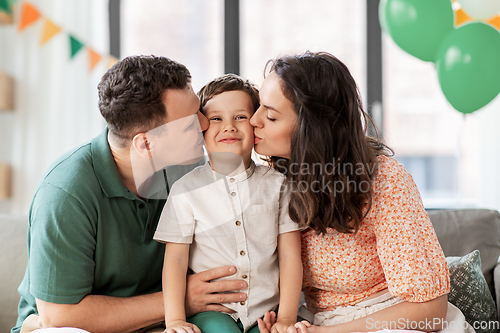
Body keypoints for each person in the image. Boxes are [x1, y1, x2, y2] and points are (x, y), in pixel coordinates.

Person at [12, 55, 248, 333]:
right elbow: (59, 317)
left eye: (199, 111)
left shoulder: (190, 168)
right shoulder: (66, 192)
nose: (205, 124)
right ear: (145, 144)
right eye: (189, 124)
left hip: (163, 323)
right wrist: (180, 300)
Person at [250, 51, 473, 333]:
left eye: (270, 116)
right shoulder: (275, 182)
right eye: (259, 106)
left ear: (311, 130)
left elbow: (430, 311)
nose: (254, 120)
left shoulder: (385, 180)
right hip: (319, 321)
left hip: (391, 321)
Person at [154, 74, 303, 333]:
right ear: (201, 130)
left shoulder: (279, 185)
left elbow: (290, 255)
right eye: (216, 119)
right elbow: (176, 260)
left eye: (240, 117)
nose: (229, 127)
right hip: (215, 312)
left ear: (256, 125)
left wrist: (286, 319)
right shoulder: (185, 191)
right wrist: (175, 321)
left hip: (267, 311)